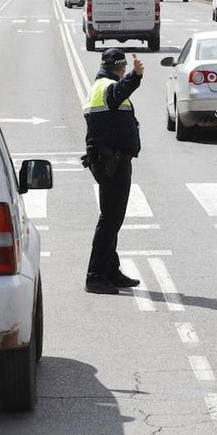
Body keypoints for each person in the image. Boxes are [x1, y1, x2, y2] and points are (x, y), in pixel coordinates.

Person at [82, 48, 144, 295]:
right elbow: (116, 95)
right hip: (112, 163)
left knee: (112, 219)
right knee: (109, 220)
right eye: (124, 68)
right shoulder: (106, 86)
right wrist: (135, 76)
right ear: (120, 68)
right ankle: (95, 276)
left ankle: (111, 270)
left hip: (112, 161)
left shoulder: (101, 84)